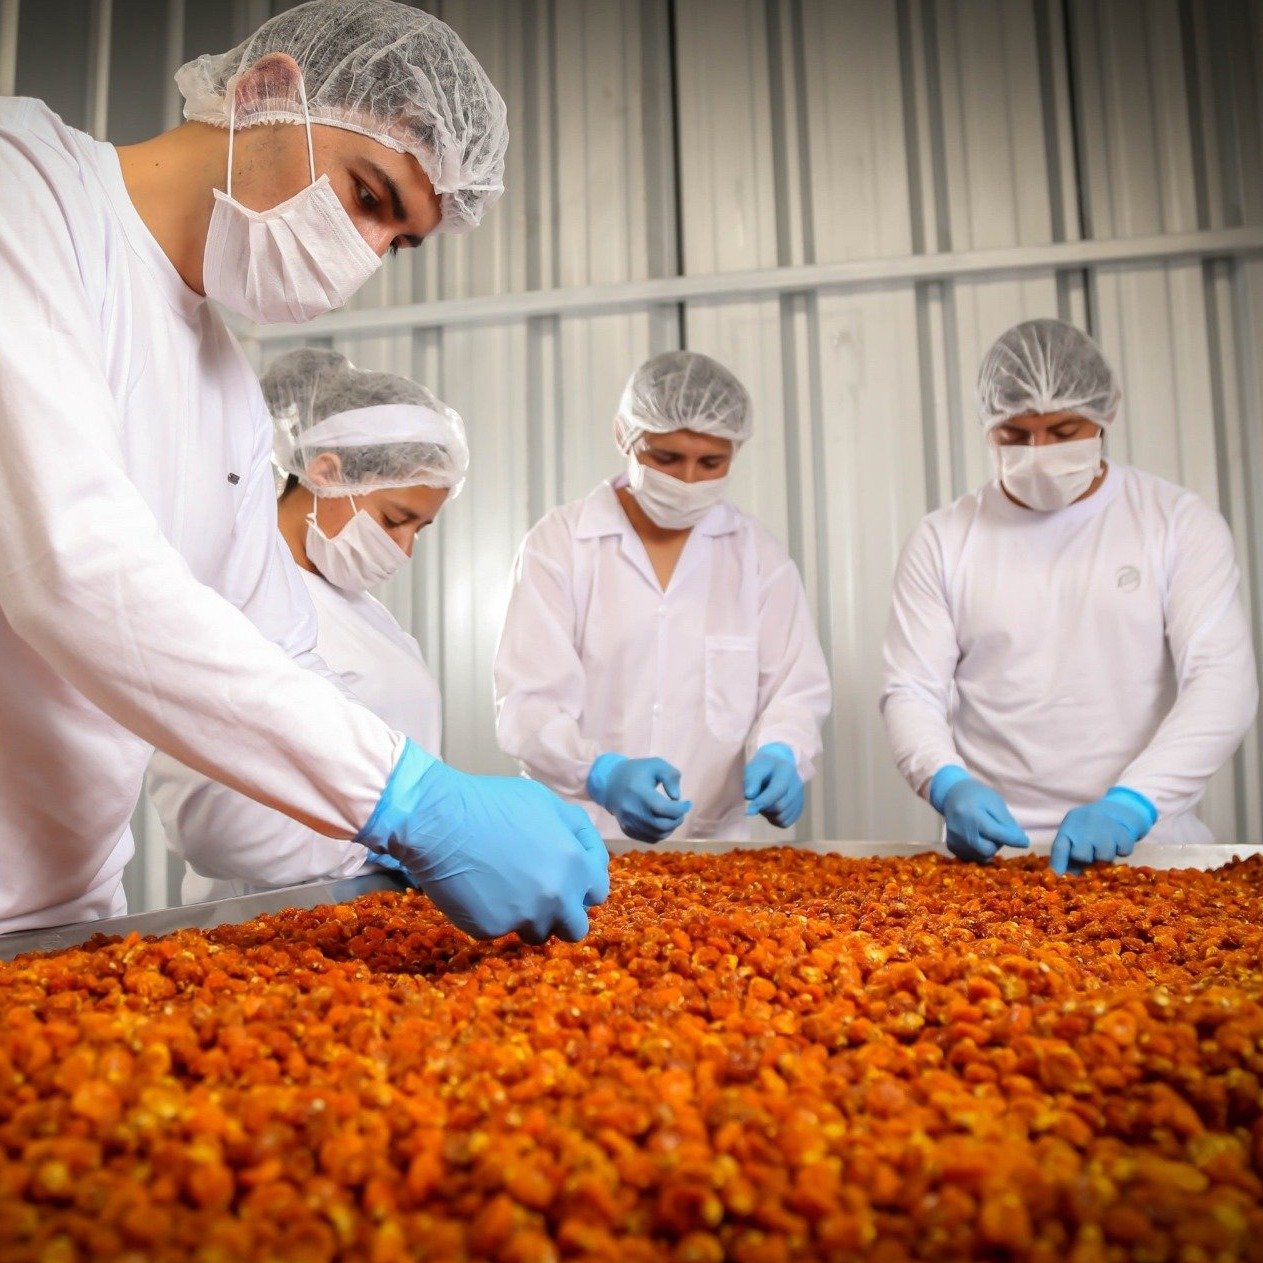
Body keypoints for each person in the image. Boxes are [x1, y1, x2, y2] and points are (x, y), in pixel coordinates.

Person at [0, 0, 607, 942]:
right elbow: (75, 568)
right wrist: (404, 797)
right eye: (369, 196)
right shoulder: (30, 191)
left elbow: (276, 651)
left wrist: (432, 810)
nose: (365, 255)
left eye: (397, 240)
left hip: (67, 915)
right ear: (265, 92)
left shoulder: (229, 399)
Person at [880, 318, 1258, 875]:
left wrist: (1133, 804)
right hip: (995, 859)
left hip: (1150, 849)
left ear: (1106, 414)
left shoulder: (1176, 524)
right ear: (988, 425)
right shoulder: (944, 539)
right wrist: (945, 780)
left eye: (1062, 432)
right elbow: (910, 688)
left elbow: (1222, 682)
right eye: (1015, 435)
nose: (1039, 453)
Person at [150, 348, 461, 901]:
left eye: (423, 528)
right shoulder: (231, 593)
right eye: (395, 518)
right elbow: (219, 829)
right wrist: (388, 841)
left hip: (371, 924)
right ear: (326, 473)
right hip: (270, 930)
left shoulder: (363, 610)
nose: (405, 548)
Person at [494, 350, 832, 843]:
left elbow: (793, 688)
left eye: (710, 462)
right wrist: (600, 775)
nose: (688, 480)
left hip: (722, 846)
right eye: (666, 458)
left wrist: (783, 750)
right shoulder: (559, 545)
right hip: (582, 837)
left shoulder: (756, 555)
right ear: (623, 436)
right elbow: (528, 704)